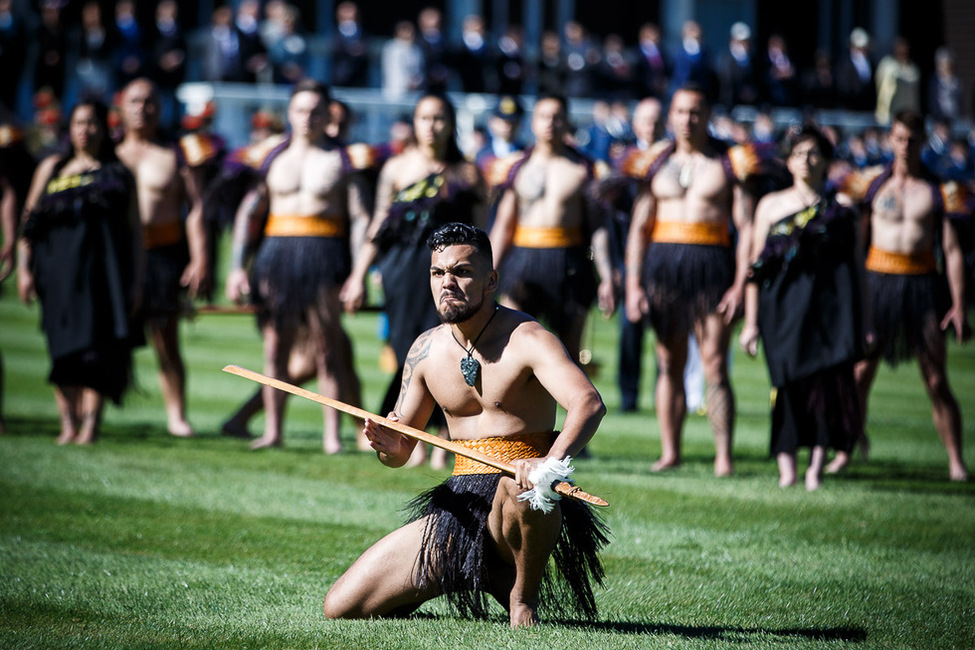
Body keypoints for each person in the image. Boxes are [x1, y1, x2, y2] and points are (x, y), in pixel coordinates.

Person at [323, 222, 608, 628]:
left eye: (462, 272)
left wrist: (549, 462)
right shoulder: (425, 349)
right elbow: (401, 453)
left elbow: (588, 403)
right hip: (460, 503)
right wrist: (387, 444)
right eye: (438, 273)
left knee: (518, 487)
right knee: (341, 607)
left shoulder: (528, 337)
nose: (448, 283)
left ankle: (522, 596)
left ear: (490, 280)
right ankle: (474, 572)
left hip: (522, 492)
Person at [342, 93, 485, 467]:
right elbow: (379, 224)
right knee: (410, 348)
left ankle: (443, 438)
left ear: (451, 123)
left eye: (439, 118)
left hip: (450, 271)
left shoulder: (467, 172)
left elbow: (483, 230)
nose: (431, 126)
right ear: (415, 123)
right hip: (403, 268)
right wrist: (358, 274)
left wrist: (485, 272)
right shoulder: (396, 167)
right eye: (424, 118)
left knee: (449, 351)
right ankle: (410, 435)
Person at [226, 79, 366, 453]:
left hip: (324, 253)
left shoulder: (342, 159)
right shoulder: (271, 157)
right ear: (290, 113)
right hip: (276, 254)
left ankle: (332, 436)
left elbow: (360, 219)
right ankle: (273, 430)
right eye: (301, 110)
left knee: (327, 347)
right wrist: (237, 267)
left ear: (327, 115)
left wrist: (358, 274)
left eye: (316, 111)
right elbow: (249, 213)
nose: (308, 117)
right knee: (275, 348)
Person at [624, 84, 758, 476]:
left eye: (696, 111)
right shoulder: (653, 162)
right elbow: (638, 228)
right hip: (663, 268)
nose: (688, 119)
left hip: (712, 266)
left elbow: (746, 227)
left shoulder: (731, 161)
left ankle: (723, 457)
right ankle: (671, 452)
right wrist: (633, 284)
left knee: (715, 363)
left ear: (709, 114)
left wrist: (738, 284)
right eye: (681, 112)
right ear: (671, 116)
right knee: (669, 362)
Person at [830, 110, 970, 481]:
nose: (905, 146)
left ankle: (956, 461)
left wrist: (958, 303)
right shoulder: (872, 185)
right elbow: (856, 243)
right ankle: (844, 451)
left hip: (922, 283)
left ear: (923, 141)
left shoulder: (940, 190)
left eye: (912, 139)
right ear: (890, 139)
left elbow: (952, 251)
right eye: (899, 138)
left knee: (936, 379)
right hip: (877, 282)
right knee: (859, 374)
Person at [740, 125, 866, 490]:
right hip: (781, 311)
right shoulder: (771, 205)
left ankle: (815, 469)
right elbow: (755, 268)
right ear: (788, 161)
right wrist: (750, 323)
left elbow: (857, 268)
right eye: (798, 154)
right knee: (786, 384)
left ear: (826, 161)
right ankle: (787, 469)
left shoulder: (842, 209)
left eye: (813, 154)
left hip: (829, 311)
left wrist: (866, 321)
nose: (806, 160)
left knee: (826, 388)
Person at [16, 99, 142, 445]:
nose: (85, 130)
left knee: (94, 352)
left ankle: (90, 427)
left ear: (104, 128)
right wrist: (25, 270)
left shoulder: (117, 174)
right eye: (78, 123)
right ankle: (68, 423)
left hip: (102, 276)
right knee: (62, 350)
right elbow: (29, 224)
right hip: (56, 274)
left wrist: (137, 282)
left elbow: (135, 232)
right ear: (69, 129)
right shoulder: (52, 169)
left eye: (92, 123)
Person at [490, 94, 615, 367]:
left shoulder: (585, 169)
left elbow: (598, 228)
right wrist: (489, 271)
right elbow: (503, 225)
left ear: (567, 122)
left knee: (568, 356)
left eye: (557, 117)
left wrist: (606, 276)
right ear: (533, 122)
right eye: (544, 116)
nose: (550, 123)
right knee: (514, 348)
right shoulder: (516, 168)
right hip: (523, 262)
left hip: (570, 261)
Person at [116, 77, 209, 438]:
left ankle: (177, 415)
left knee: (166, 339)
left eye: (151, 101)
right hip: (119, 256)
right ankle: (89, 414)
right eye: (135, 101)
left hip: (163, 252)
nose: (143, 108)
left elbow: (197, 208)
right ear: (122, 107)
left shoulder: (175, 152)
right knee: (104, 334)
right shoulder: (112, 154)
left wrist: (199, 259)